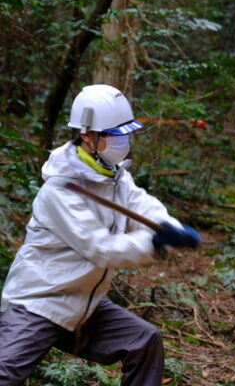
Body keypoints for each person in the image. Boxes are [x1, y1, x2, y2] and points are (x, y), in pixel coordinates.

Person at [0, 84, 201, 385]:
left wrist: (167, 226)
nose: (124, 141)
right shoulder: (59, 190)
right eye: (114, 135)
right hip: (39, 304)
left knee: (144, 341)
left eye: (126, 134)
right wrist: (153, 242)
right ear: (86, 135)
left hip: (86, 305)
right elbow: (100, 247)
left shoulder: (116, 176)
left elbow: (142, 205)